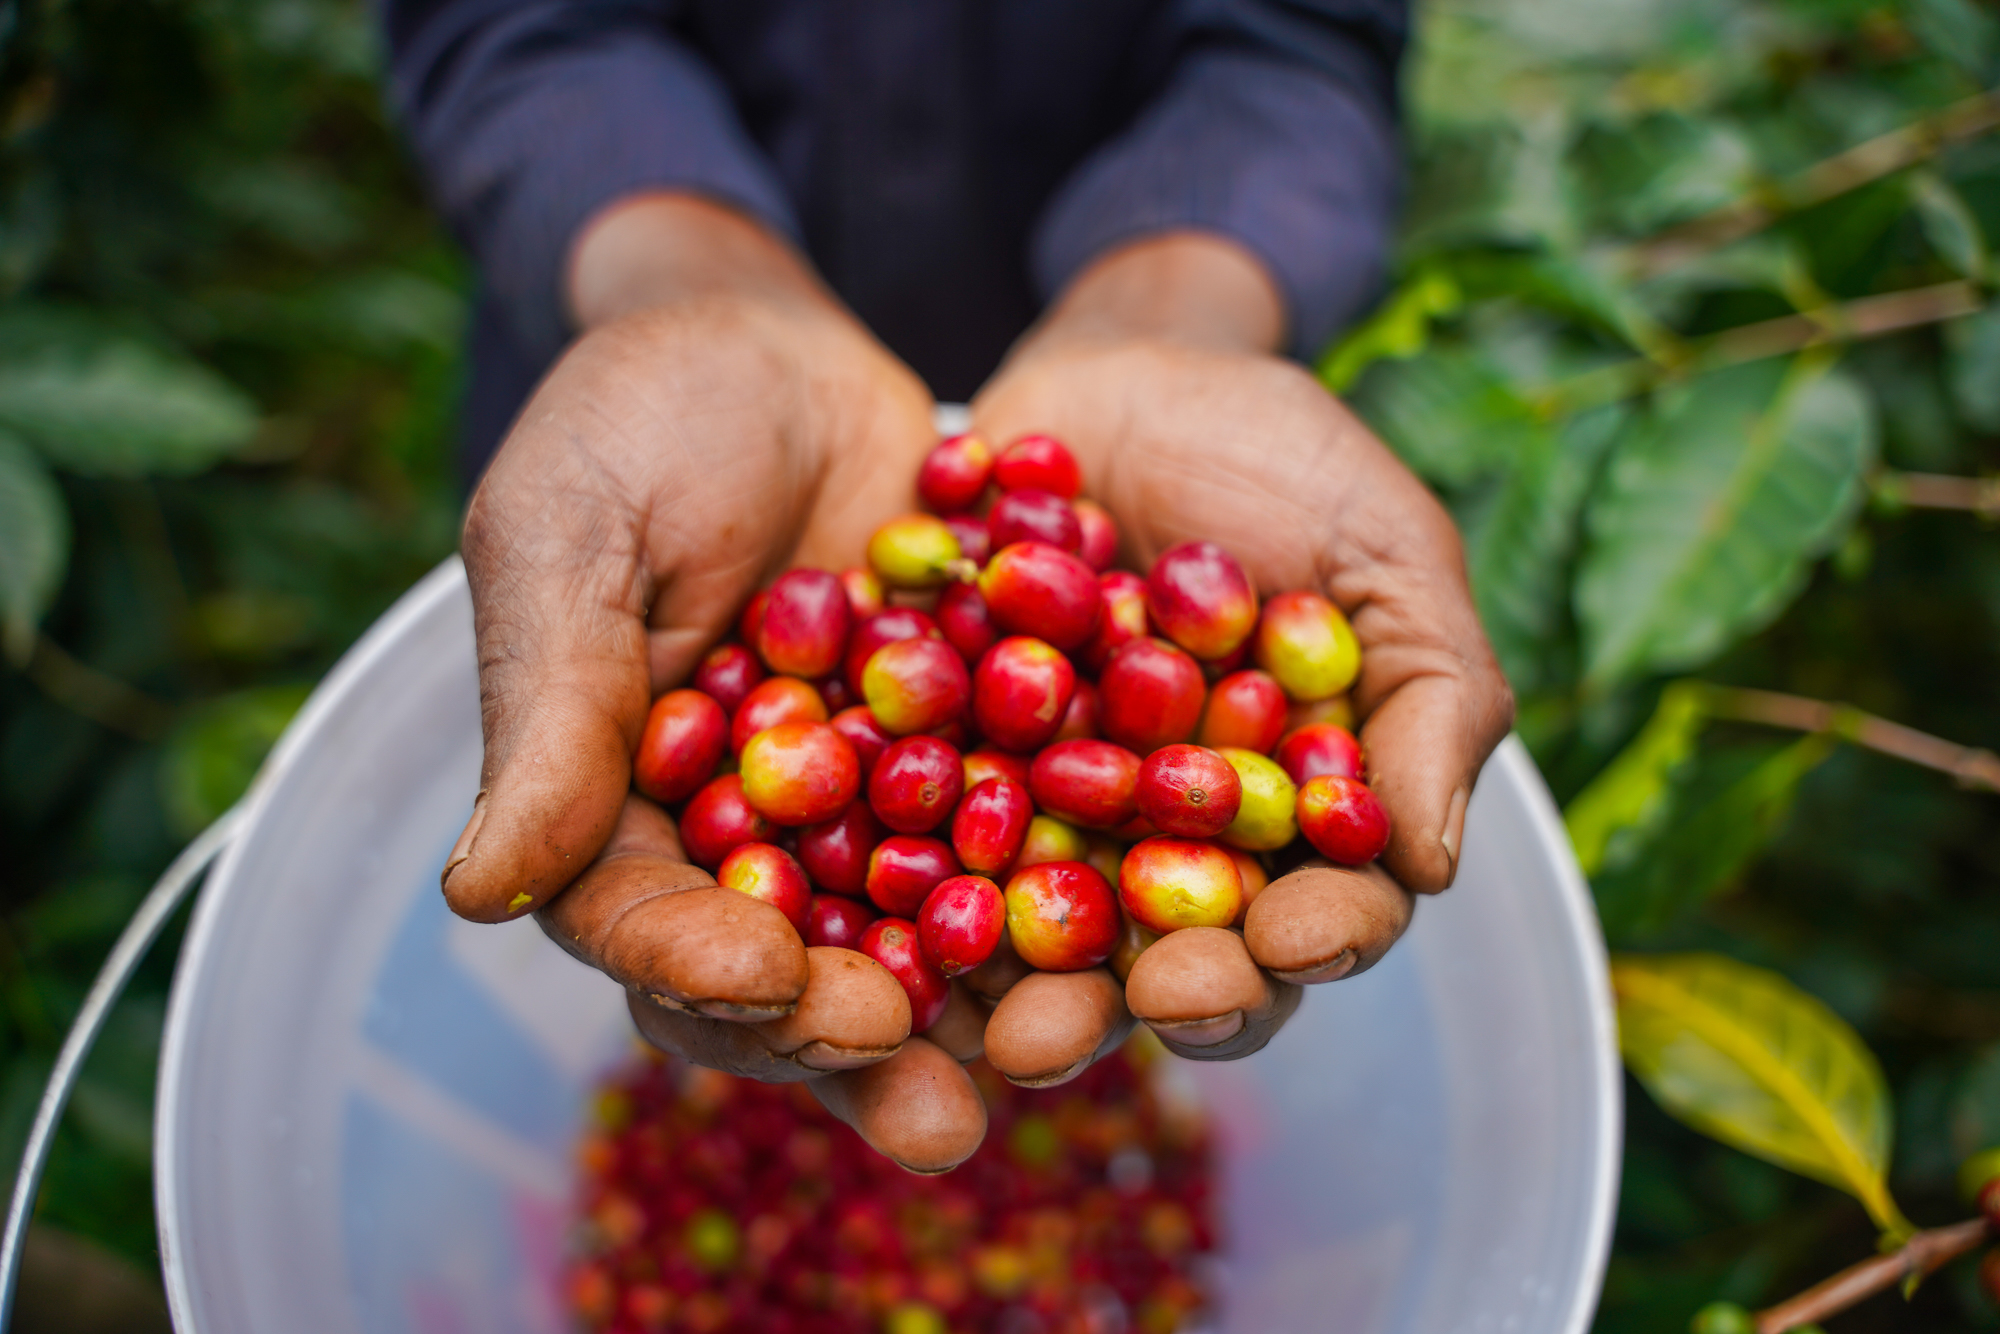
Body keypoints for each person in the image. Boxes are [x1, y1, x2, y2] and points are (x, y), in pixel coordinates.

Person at [382, 0, 1513, 1172]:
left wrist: (1178, 306)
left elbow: (1295, 38)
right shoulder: (882, 691)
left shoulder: (1033, 692)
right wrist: (688, 277)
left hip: (1105, 344)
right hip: (691, 460)